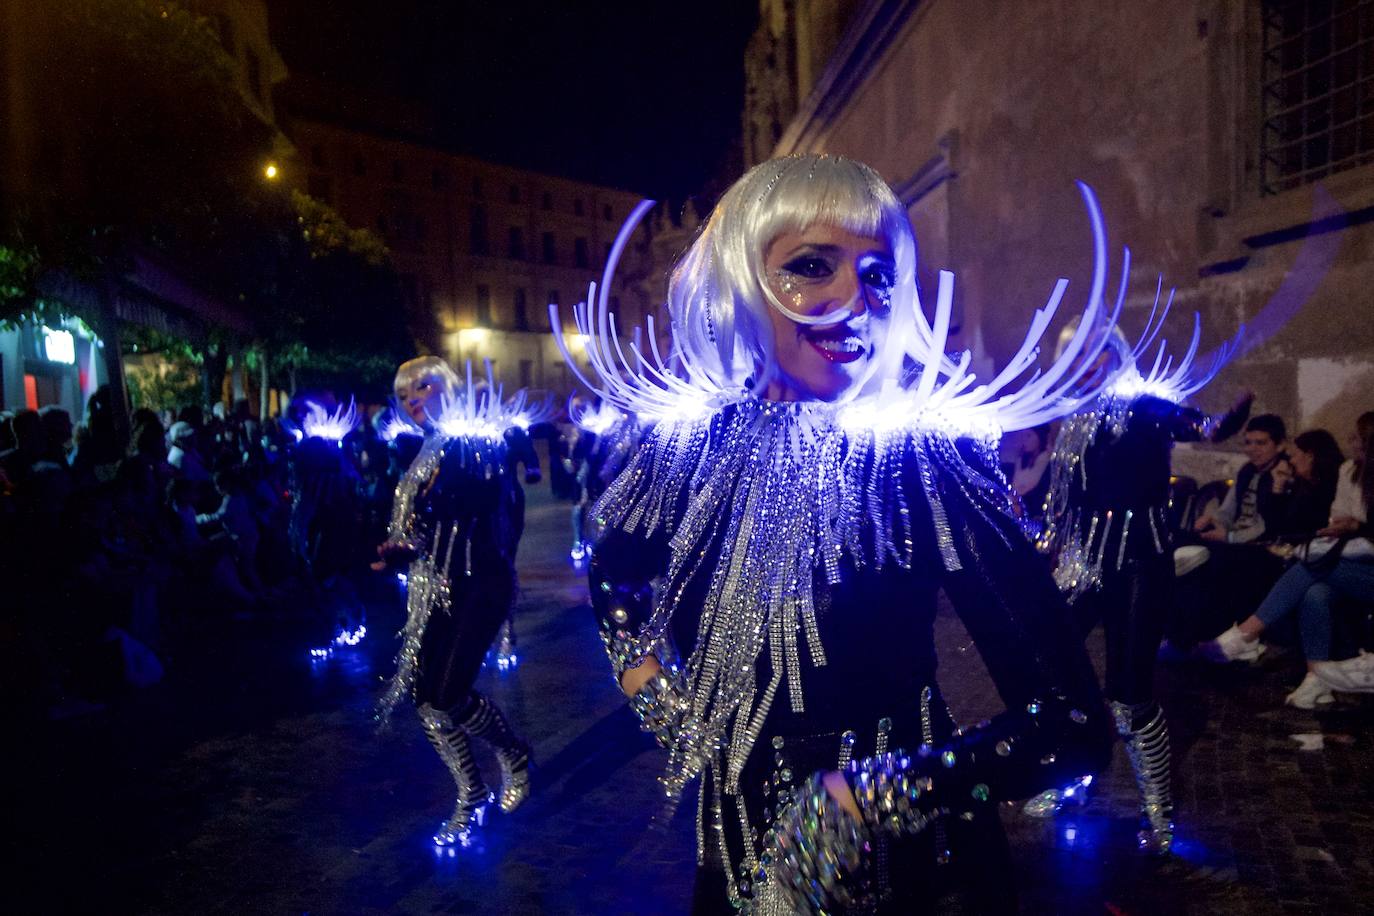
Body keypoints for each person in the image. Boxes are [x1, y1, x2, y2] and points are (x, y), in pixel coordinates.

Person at [563, 155, 1115, 914]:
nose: (856, 300)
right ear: (738, 282)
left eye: (880, 274)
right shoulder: (687, 450)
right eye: (812, 266)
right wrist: (656, 694)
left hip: (908, 868)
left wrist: (866, 801)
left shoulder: (926, 461)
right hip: (733, 841)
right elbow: (614, 572)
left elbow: (1072, 725)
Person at [1031, 310, 1249, 852]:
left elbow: (1202, 427)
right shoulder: (1073, 422)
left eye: (1095, 352)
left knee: (1128, 692)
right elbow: (1062, 502)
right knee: (1053, 674)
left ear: (1115, 354)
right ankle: (1074, 776)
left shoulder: (1145, 405)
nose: (1085, 364)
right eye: (1074, 354)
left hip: (1138, 564)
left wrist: (1227, 419)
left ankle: (1158, 808)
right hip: (1083, 566)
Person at [374, 356, 531, 849]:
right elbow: (426, 525)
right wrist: (400, 551)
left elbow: (479, 502)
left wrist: (434, 510)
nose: (412, 399)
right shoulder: (427, 450)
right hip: (433, 586)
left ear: (449, 388)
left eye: (423, 386)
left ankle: (515, 754)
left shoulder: (478, 442)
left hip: (477, 585)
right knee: (426, 699)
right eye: (403, 394)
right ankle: (472, 793)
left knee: (446, 691)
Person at [1210, 412, 1374, 706]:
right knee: (1315, 592)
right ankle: (1317, 679)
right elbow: (1334, 514)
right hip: (1350, 558)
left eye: (1358, 439)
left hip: (1365, 565)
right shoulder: (1350, 471)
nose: (1351, 443)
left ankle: (1245, 635)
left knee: (1309, 566)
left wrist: (1357, 526)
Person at [1171, 414, 1292, 650]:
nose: (1253, 450)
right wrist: (1212, 519)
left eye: (1261, 443)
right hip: (1235, 537)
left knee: (1216, 562)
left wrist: (1228, 538)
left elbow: (1268, 525)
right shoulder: (1247, 470)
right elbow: (1229, 509)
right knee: (1178, 541)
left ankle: (1206, 637)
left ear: (1279, 445)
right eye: (1248, 443)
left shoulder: (1282, 474)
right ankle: (1178, 635)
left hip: (1260, 545)